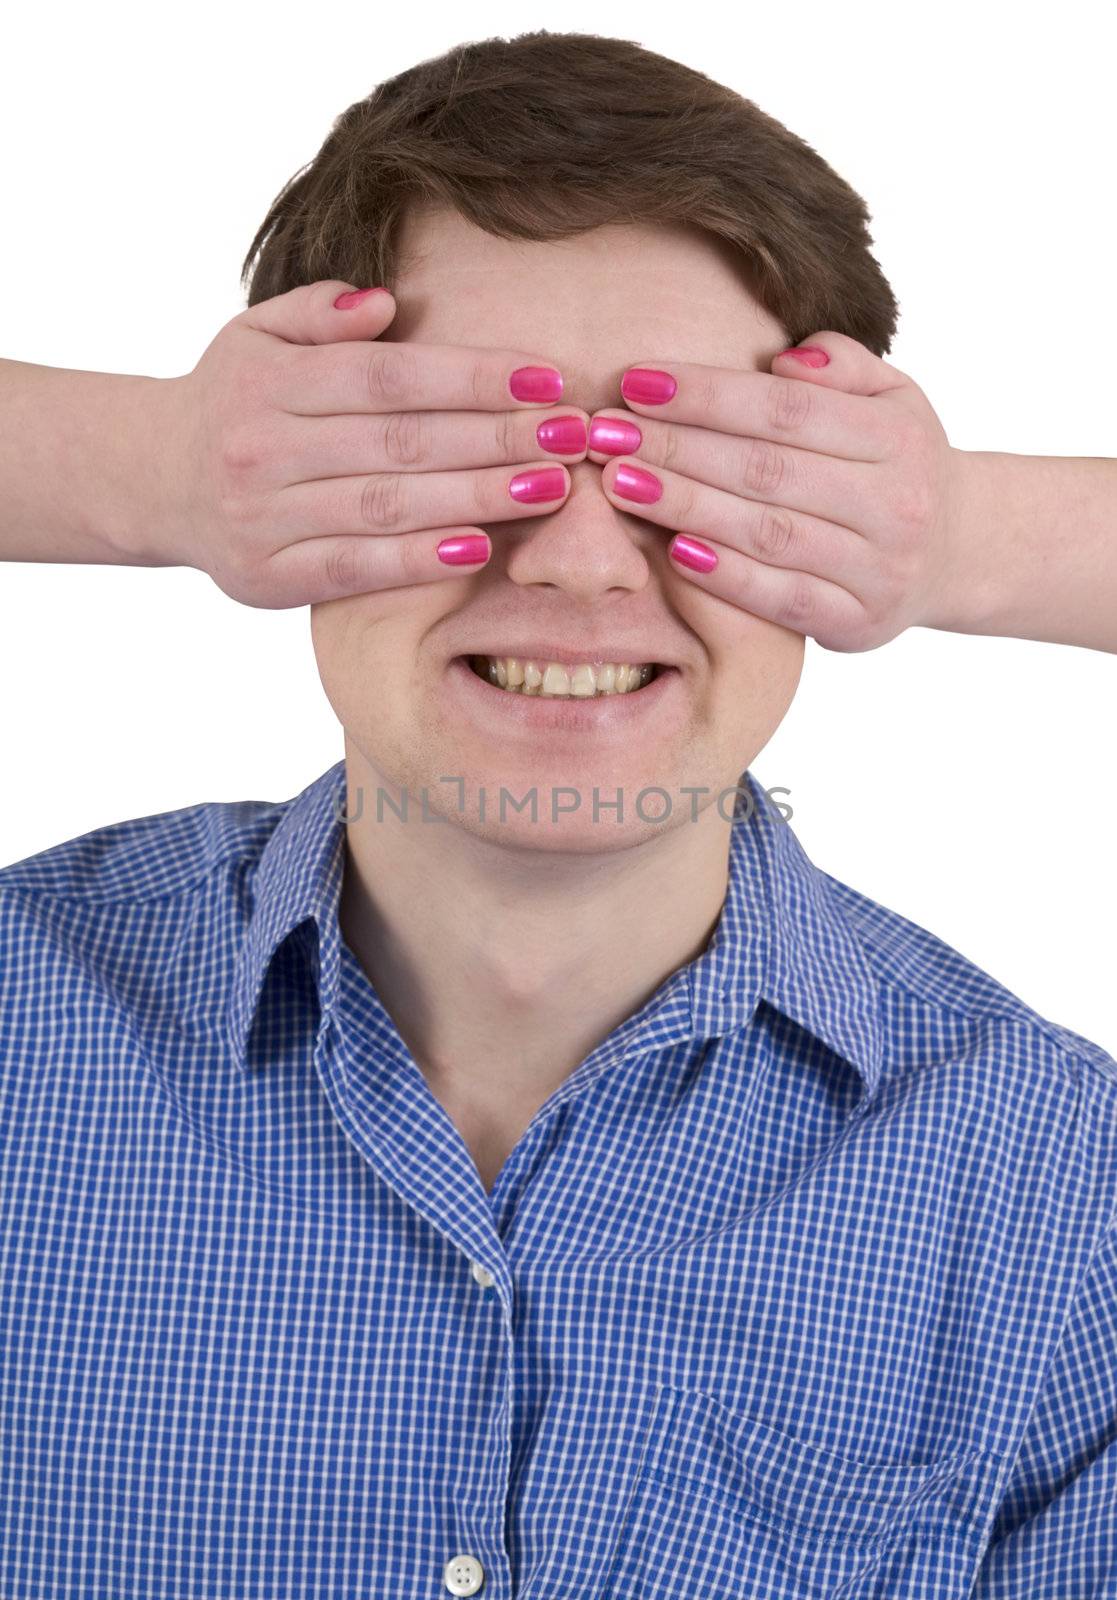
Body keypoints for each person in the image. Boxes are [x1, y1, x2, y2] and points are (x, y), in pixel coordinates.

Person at [1, 29, 1114, 1600]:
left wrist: (969, 537)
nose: (581, 565)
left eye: (710, 473)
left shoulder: (1061, 1196)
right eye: (451, 452)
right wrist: (151, 466)